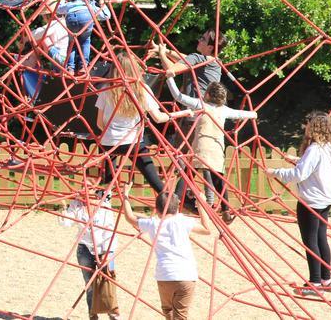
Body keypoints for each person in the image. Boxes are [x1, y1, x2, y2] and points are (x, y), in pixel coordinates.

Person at [159, 45, 257, 223]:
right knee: (220, 181)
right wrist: (253, 114)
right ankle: (226, 211)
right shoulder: (225, 110)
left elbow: (178, 97)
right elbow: (245, 114)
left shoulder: (201, 105)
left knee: (188, 177)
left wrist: (169, 78)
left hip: (200, 150)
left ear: (208, 95)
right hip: (216, 151)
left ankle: (171, 205)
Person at [266, 111, 331, 296]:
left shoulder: (314, 149)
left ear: (314, 127)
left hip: (311, 201)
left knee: (310, 241)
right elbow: (315, 166)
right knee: (321, 237)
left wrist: (275, 172)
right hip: (325, 200)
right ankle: (326, 279)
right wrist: (298, 160)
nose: (305, 128)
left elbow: (300, 174)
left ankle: (315, 282)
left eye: (308, 125)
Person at [96, 51, 191, 194]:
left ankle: (106, 194)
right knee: (155, 181)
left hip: (108, 143)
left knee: (108, 181)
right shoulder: (142, 90)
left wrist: (112, 135)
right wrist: (182, 113)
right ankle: (168, 201)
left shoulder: (106, 89)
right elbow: (159, 118)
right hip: (133, 143)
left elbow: (100, 123)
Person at [121, 185, 211, 320]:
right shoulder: (183, 221)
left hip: (164, 275)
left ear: (156, 209)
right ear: (177, 207)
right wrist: (201, 204)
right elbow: (206, 229)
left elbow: (129, 218)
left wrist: (125, 195)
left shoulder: (153, 224)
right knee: (180, 316)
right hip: (185, 275)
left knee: (168, 312)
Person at [59, 191, 122, 320]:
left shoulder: (104, 202)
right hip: (85, 248)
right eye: (83, 184)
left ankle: (113, 313)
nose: (84, 188)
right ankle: (92, 315)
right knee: (89, 284)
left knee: (108, 280)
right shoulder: (77, 204)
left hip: (105, 247)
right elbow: (66, 223)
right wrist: (63, 207)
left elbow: (109, 230)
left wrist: (105, 253)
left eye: (88, 185)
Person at [16, 15, 69, 104]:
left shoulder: (56, 23)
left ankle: (31, 61)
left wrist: (24, 39)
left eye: (44, 17)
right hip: (66, 62)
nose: (44, 19)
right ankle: (31, 60)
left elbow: (37, 34)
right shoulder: (66, 22)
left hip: (61, 61)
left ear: (48, 15)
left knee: (42, 38)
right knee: (41, 38)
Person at [57, 0, 112, 74]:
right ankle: (83, 66)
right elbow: (106, 16)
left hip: (71, 17)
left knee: (72, 43)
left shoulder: (71, 3)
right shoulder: (90, 2)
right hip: (86, 16)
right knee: (85, 41)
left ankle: (70, 68)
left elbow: (58, 9)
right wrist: (102, 4)